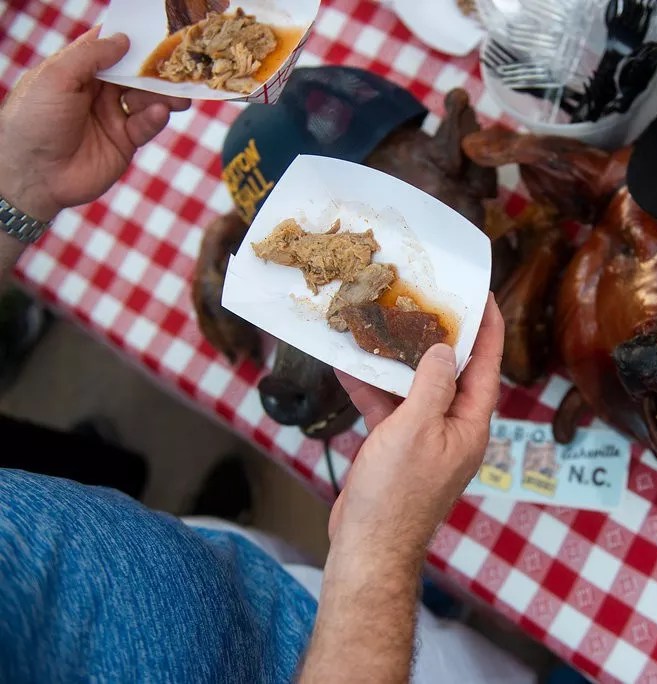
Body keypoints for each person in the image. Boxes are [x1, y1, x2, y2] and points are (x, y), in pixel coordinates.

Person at [0, 28, 530, 682]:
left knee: (284, 566)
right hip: (339, 642)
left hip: (212, 563)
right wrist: (382, 553)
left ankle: (413, 598)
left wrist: (17, 185)